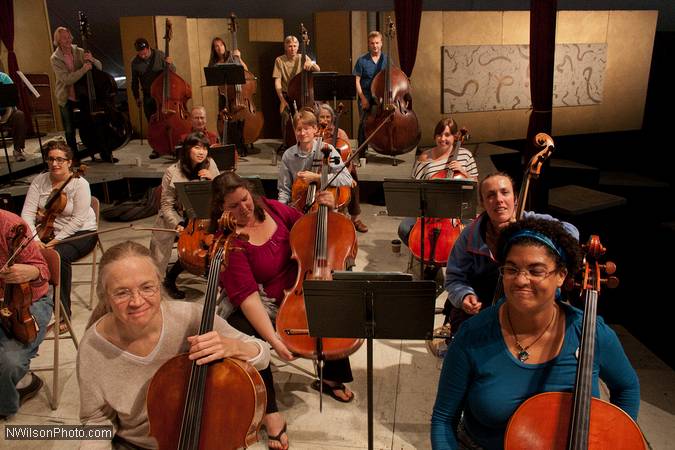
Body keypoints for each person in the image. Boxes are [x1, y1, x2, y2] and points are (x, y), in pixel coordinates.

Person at [431, 217, 640, 449]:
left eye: (536, 270)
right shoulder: (473, 336)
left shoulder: (590, 333)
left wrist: (614, 436)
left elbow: (627, 388)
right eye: (511, 269)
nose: (521, 280)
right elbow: (443, 419)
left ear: (561, 275)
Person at [211, 171, 356, 450]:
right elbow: (248, 297)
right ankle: (270, 410)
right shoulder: (229, 242)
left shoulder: (272, 209)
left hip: (301, 280)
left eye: (245, 200)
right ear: (221, 209)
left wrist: (325, 208)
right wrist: (274, 339)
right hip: (264, 300)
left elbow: (307, 227)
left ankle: (332, 376)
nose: (244, 209)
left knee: (329, 298)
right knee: (245, 335)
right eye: (233, 206)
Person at [77, 241, 270, 449]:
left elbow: (264, 354)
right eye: (122, 293)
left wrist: (235, 347)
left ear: (159, 284)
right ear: (105, 296)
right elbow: (96, 420)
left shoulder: (190, 317)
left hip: (206, 437)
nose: (136, 301)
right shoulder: (93, 347)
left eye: (147, 287)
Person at [443, 172, 579, 334]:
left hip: (532, 302)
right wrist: (464, 296)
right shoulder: (470, 234)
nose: (499, 199)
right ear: (483, 203)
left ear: (515, 198)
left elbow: (571, 233)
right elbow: (454, 278)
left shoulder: (531, 220)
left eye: (504, 192)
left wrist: (530, 233)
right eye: (491, 195)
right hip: (485, 308)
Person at [21, 140, 97, 332]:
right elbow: (27, 214)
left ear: (69, 162)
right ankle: (25, 312)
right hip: (47, 232)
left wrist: (55, 241)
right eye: (51, 159)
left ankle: (63, 315)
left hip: (81, 233)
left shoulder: (80, 184)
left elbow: (78, 220)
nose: (55, 164)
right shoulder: (40, 181)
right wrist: (36, 241)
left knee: (58, 257)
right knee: (24, 255)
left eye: (60, 160)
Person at [149, 132, 220, 299]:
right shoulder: (172, 171)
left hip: (203, 216)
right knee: (160, 251)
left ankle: (209, 274)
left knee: (203, 245)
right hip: (177, 216)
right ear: (188, 149)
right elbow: (166, 205)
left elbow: (222, 191)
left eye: (204, 148)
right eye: (197, 147)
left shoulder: (210, 164)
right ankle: (164, 281)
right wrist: (177, 224)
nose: (201, 152)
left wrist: (214, 179)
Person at [0, 210, 53, 420]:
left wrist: (30, 272)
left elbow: (43, 270)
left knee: (9, 362)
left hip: (28, 302)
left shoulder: (11, 226)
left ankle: (8, 402)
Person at [398, 117, 478, 248]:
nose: (442, 139)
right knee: (404, 229)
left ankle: (452, 259)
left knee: (472, 233)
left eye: (447, 135)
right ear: (435, 136)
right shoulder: (425, 158)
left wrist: (464, 171)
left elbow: (475, 185)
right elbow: (414, 187)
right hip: (430, 211)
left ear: (455, 136)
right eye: (439, 135)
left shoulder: (465, 156)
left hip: (458, 212)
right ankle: (428, 256)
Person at [50, 27, 110, 162]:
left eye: (69, 37)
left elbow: (99, 67)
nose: (68, 40)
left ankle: (101, 151)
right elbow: (66, 79)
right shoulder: (55, 58)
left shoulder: (79, 51)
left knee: (91, 124)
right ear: (58, 41)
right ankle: (73, 158)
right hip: (66, 96)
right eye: (64, 38)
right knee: (69, 129)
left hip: (83, 95)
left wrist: (92, 60)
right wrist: (83, 69)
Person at [277, 110, 353, 209]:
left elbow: (347, 179)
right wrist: (280, 210)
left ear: (315, 129)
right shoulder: (288, 155)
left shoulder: (328, 150)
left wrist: (317, 178)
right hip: (299, 208)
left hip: (324, 206)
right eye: (299, 129)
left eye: (306, 129)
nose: (302, 133)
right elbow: (284, 190)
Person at [317, 103, 368, 232]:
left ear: (332, 118)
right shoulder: (316, 133)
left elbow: (348, 156)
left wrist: (346, 173)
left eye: (328, 117)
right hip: (321, 169)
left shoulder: (340, 133)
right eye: (322, 117)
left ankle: (355, 218)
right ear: (317, 118)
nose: (325, 120)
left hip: (339, 167)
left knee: (352, 178)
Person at [272, 35, 320, 149]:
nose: (292, 48)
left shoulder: (302, 57)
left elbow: (318, 69)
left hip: (303, 95)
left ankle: (313, 142)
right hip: (287, 95)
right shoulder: (279, 60)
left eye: (294, 46)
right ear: (285, 47)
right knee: (286, 116)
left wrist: (312, 64)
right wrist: (282, 100)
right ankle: (287, 144)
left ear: (298, 46)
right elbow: (277, 82)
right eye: (290, 46)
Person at [130, 37, 174, 159]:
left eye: (144, 53)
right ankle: (156, 148)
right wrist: (136, 97)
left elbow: (172, 72)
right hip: (148, 95)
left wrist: (170, 65)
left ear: (149, 48)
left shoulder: (159, 55)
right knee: (153, 123)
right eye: (140, 54)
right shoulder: (135, 63)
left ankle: (172, 144)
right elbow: (134, 82)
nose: (143, 56)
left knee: (167, 121)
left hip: (163, 95)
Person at [209, 37, 249, 157]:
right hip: (224, 95)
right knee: (227, 119)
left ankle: (241, 145)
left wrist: (239, 58)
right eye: (216, 46)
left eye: (221, 45)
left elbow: (246, 71)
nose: (219, 47)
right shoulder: (214, 63)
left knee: (240, 120)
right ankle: (230, 146)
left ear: (225, 46)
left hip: (238, 94)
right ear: (213, 49)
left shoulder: (232, 57)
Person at [353, 31, 387, 153]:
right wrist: (362, 98)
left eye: (377, 43)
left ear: (381, 43)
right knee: (364, 124)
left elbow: (392, 77)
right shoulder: (362, 60)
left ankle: (383, 148)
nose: (375, 45)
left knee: (382, 124)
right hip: (366, 96)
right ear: (369, 44)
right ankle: (361, 152)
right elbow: (356, 80)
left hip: (382, 98)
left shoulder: (386, 59)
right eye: (372, 43)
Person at [0, 71, 28, 162]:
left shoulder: (4, 78)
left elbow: (12, 102)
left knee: (19, 115)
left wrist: (4, 119)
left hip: (7, 111)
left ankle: (17, 150)